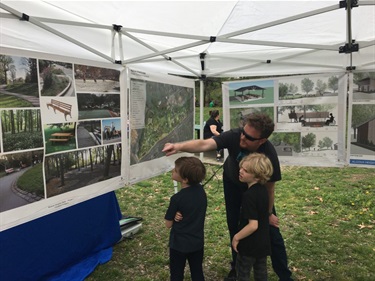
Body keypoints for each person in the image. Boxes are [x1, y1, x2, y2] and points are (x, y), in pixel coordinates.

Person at [163, 112, 293, 281]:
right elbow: (204, 144)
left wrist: (268, 213)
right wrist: (179, 147)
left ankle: (284, 275)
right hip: (232, 183)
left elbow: (270, 188)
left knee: (270, 230)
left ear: (261, 141)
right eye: (243, 132)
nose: (242, 138)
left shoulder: (269, 154)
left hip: (256, 189)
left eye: (248, 137)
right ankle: (237, 268)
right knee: (234, 225)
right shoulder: (234, 135)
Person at [164, 157, 207, 281]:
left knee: (177, 274)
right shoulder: (201, 192)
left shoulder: (177, 199)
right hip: (197, 243)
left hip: (179, 245)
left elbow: (168, 224)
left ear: (185, 179)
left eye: (176, 170)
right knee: (197, 272)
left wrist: (174, 215)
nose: (173, 170)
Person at [233, 153, 273, 281]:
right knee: (261, 274)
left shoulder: (249, 195)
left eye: (246, 170)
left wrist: (236, 237)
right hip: (263, 243)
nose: (240, 171)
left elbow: (253, 225)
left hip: (249, 245)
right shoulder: (263, 191)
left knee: (242, 274)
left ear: (257, 176)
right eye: (241, 168)